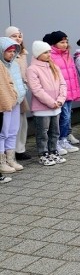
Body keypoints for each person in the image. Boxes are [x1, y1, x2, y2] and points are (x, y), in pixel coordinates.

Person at [27, 40, 68, 165]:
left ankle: (53, 150)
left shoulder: (54, 66)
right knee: (42, 132)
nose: (48, 54)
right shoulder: (32, 69)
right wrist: (51, 102)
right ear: (38, 54)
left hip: (57, 106)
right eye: (45, 52)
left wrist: (60, 100)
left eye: (49, 52)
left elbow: (62, 84)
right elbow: (36, 89)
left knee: (55, 131)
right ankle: (43, 153)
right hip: (42, 108)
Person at [44, 31, 80, 154]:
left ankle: (64, 139)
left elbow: (73, 75)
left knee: (67, 117)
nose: (65, 44)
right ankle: (57, 141)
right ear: (54, 44)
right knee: (61, 118)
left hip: (69, 91)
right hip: (60, 93)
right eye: (62, 42)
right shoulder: (51, 56)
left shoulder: (67, 55)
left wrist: (76, 90)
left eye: (66, 42)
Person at [0, 37, 26, 173]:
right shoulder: (1, 66)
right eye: (8, 51)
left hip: (17, 101)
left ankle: (11, 158)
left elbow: (19, 81)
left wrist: (23, 90)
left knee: (13, 130)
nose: (11, 53)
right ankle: (2, 161)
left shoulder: (15, 65)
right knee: (3, 132)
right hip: (5, 103)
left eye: (13, 51)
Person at [5, 26, 31, 161]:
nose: (18, 38)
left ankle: (20, 149)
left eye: (20, 36)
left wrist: (25, 86)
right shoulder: (6, 55)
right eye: (14, 36)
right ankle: (10, 151)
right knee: (8, 125)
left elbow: (24, 73)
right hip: (10, 92)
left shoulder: (22, 54)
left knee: (21, 121)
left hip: (21, 90)